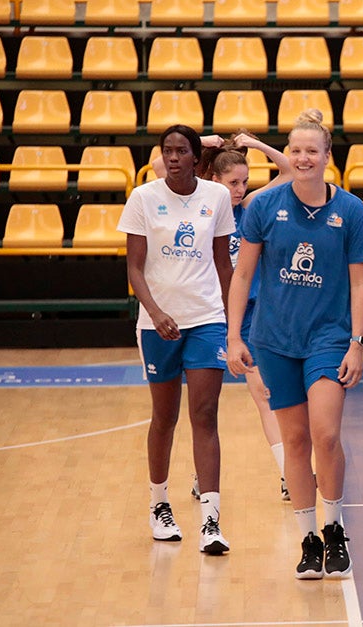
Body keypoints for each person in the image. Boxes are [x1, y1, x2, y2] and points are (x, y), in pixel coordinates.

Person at [226, 109, 363, 580]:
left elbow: (359, 286)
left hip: (329, 339)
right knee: (294, 439)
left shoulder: (351, 211)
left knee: (325, 435)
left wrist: (356, 343)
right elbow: (242, 274)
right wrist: (233, 337)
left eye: (312, 150)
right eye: (296, 150)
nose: (303, 158)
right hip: (273, 341)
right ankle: (309, 540)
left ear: (328, 157)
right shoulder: (263, 208)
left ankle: (335, 529)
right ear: (287, 156)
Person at [117, 124, 236, 554]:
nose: (172, 157)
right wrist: (155, 312)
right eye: (166, 150)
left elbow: (224, 265)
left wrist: (232, 323)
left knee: (204, 416)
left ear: (194, 158)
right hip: (157, 324)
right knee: (163, 417)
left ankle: (211, 520)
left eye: (181, 150)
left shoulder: (217, 197)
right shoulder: (143, 198)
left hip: (206, 320)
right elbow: (134, 268)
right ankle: (159, 504)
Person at [205, 132, 295, 501]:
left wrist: (257, 145)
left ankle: (289, 475)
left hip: (252, 314)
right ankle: (202, 474)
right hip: (209, 314)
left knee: (263, 393)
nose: (240, 189)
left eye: (244, 181)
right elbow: (162, 164)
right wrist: (201, 141)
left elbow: (288, 171)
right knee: (204, 404)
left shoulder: (253, 208)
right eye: (232, 182)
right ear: (214, 180)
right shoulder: (200, 208)